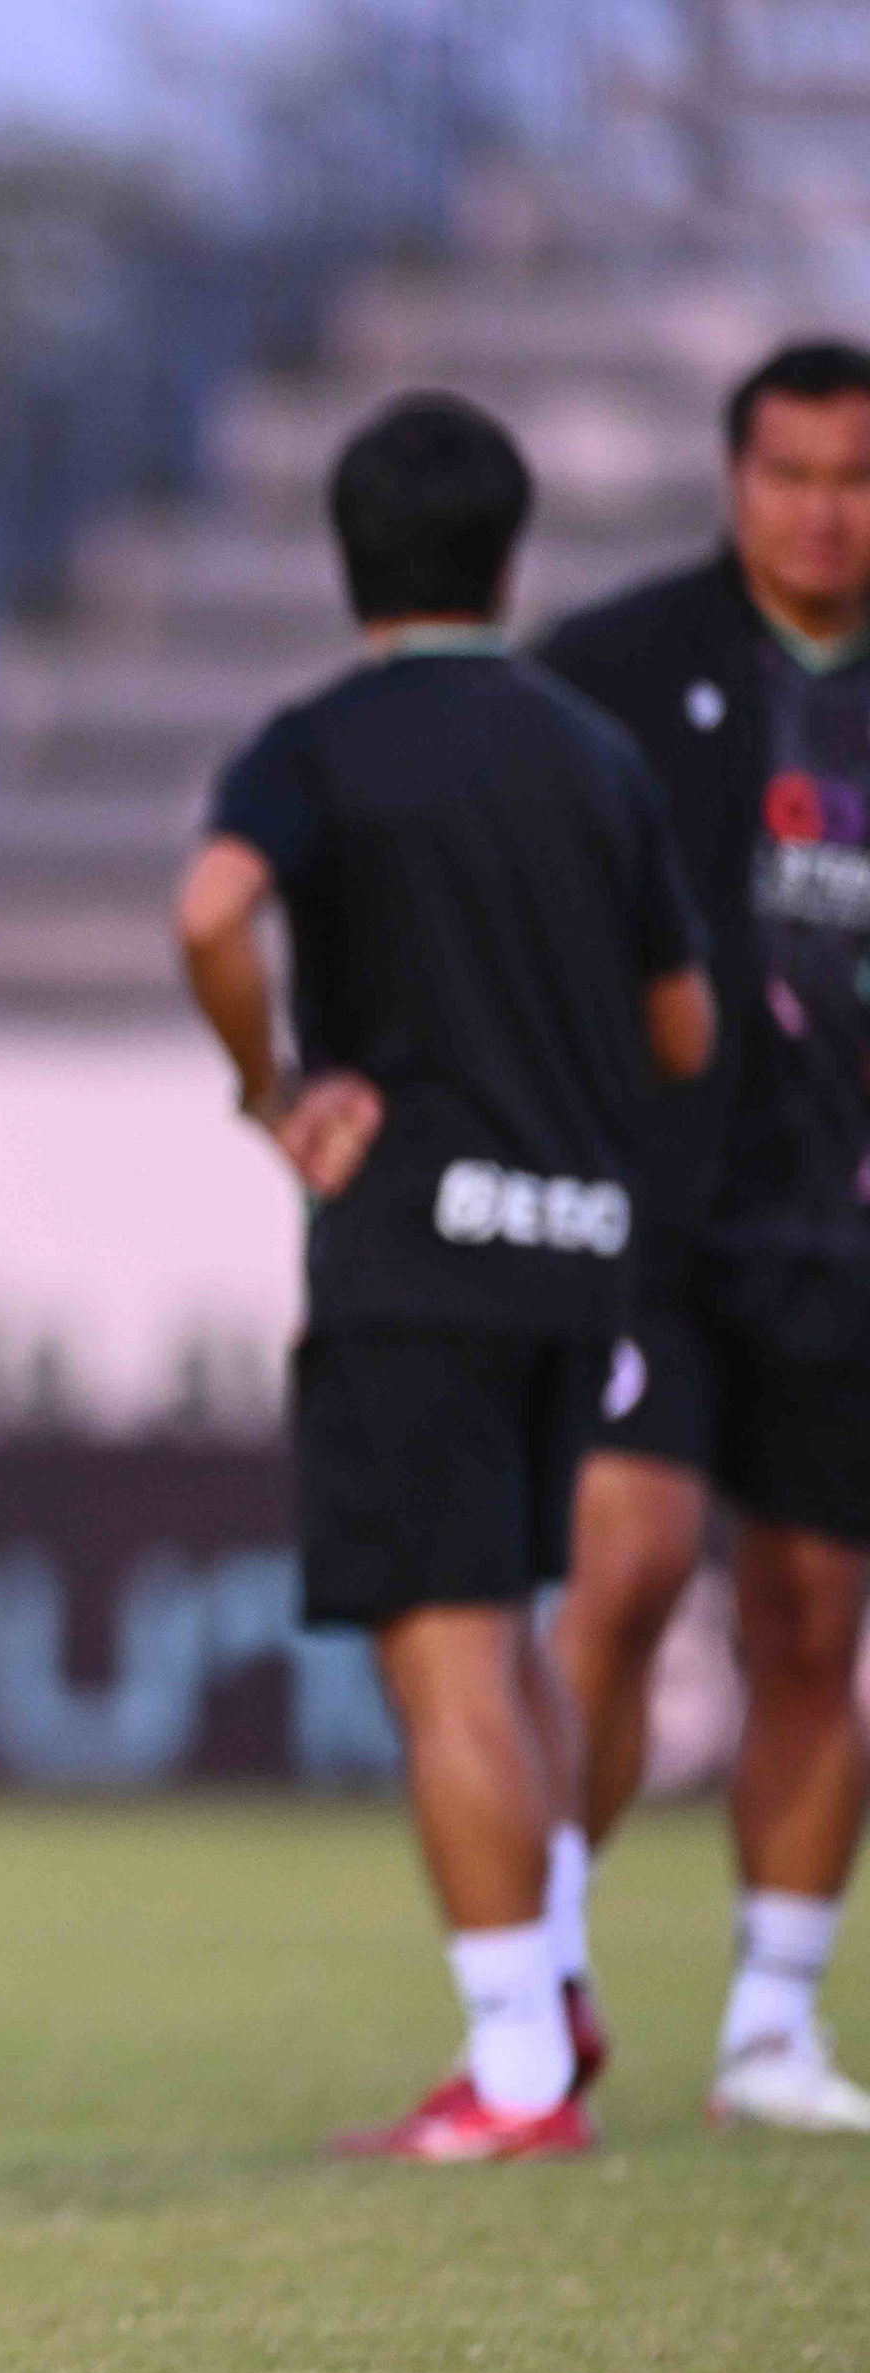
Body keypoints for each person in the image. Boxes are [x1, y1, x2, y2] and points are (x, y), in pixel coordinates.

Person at [175, 394, 712, 2161]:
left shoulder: (320, 744)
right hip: (579, 1253)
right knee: (519, 1633)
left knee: (445, 1650)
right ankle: (549, 1987)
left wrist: (271, 1087)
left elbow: (209, 911)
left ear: (349, 563)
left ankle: (517, 2075)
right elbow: (683, 1030)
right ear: (508, 554)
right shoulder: (595, 755)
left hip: (420, 1250)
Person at [540, 340, 870, 2133]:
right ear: (736, 480)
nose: (823, 512)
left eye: (855, 478)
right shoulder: (609, 669)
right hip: (649, 1216)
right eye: (791, 474)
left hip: (845, 1235)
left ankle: (771, 2028)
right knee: (629, 1564)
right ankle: (537, 1974)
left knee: (813, 1622)